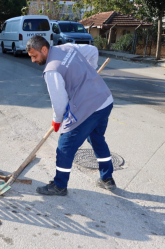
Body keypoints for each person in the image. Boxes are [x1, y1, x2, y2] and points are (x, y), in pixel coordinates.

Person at [25, 36, 116, 196]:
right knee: (97, 138)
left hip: (89, 108)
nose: (32, 60)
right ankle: (107, 178)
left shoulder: (51, 70)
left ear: (44, 50)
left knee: (64, 147)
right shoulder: (67, 47)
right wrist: (91, 72)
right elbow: (93, 50)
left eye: (34, 56)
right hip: (105, 100)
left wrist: (57, 121)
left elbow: (59, 104)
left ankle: (59, 185)